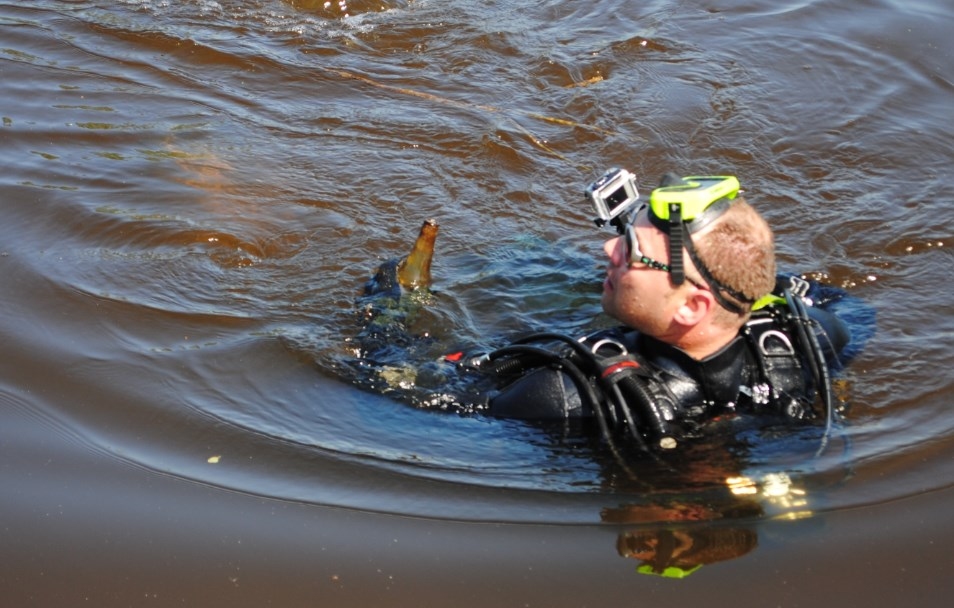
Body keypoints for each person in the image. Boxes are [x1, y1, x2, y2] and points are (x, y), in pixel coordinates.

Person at [463, 171, 853, 454]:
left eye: (631, 249)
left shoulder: (558, 397)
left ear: (691, 307)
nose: (608, 248)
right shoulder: (820, 334)